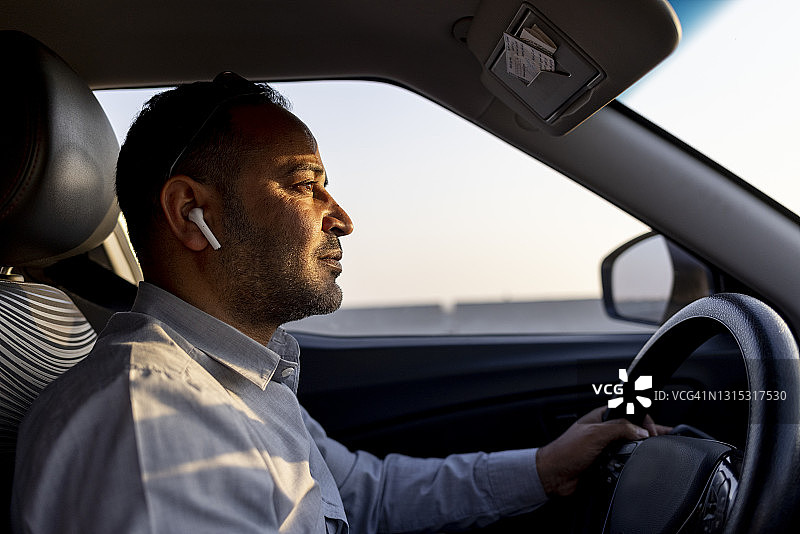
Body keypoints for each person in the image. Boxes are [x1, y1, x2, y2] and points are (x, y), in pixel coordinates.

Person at [12, 72, 666, 533]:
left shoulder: (237, 380)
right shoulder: (152, 434)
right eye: (304, 184)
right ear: (192, 213)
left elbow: (360, 495)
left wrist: (547, 468)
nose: (343, 218)